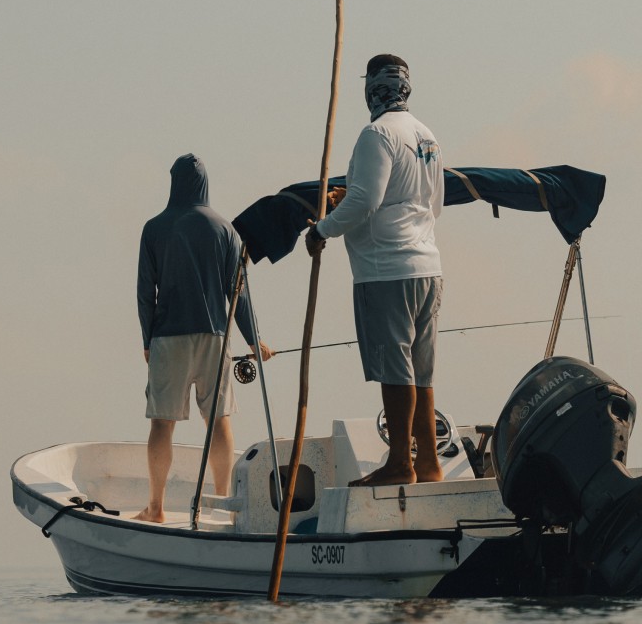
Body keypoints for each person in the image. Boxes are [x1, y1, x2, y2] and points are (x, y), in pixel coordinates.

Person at [305, 54, 444, 487]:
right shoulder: (427, 136)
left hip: (387, 271)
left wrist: (322, 229)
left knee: (394, 369)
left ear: (371, 90)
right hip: (427, 267)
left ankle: (401, 462)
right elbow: (431, 202)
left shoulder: (375, 134)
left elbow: (365, 202)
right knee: (420, 372)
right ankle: (429, 465)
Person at [136, 153, 273, 523]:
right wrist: (254, 340)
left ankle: (156, 508)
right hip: (216, 336)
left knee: (162, 423)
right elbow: (239, 292)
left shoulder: (154, 228)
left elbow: (145, 291)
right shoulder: (225, 229)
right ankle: (224, 503)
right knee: (219, 421)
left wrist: (147, 338)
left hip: (168, 337)